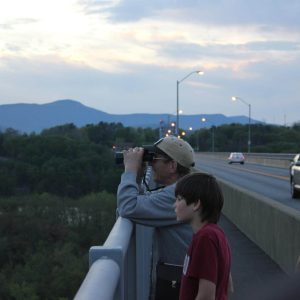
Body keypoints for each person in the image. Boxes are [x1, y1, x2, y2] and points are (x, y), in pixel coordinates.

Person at [117, 135, 196, 299]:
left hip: (179, 278)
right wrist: (138, 176)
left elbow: (128, 207)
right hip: (183, 274)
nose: (151, 164)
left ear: (172, 165)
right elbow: (143, 202)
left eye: (155, 159)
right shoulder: (184, 189)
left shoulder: (176, 195)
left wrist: (130, 170)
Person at [174, 172, 232, 300]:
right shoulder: (217, 233)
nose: (175, 205)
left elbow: (206, 296)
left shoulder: (205, 238)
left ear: (196, 204)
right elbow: (228, 285)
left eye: (179, 199)